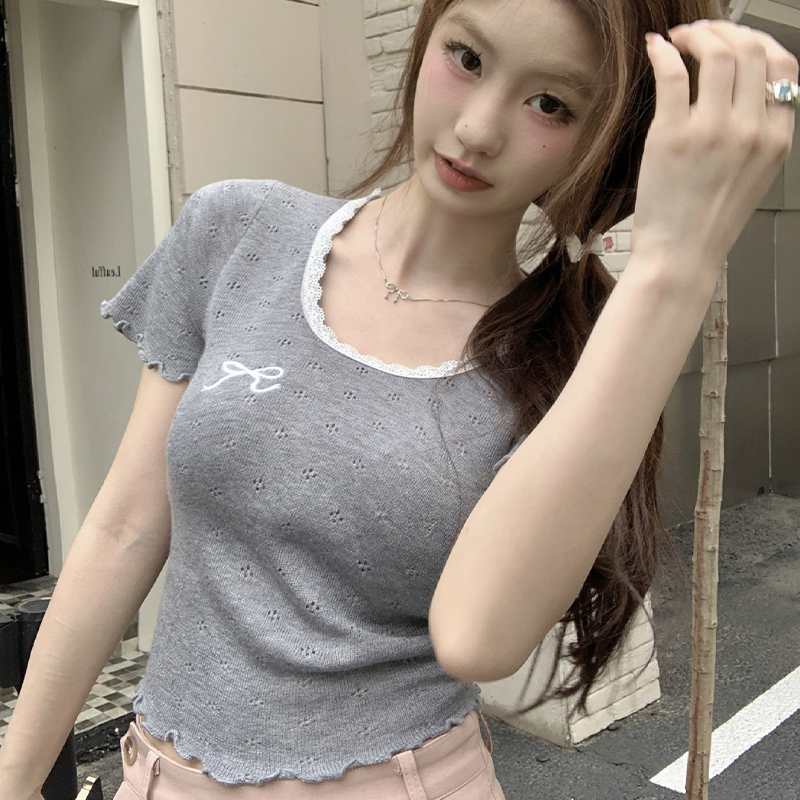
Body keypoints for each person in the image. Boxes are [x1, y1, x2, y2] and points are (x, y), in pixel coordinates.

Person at [1, 0, 796, 798]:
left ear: (607, 140)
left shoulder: (570, 360)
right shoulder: (237, 231)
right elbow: (124, 527)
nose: (477, 129)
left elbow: (479, 639)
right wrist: (16, 776)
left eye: (551, 103)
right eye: (468, 58)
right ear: (427, 34)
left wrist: (673, 267)